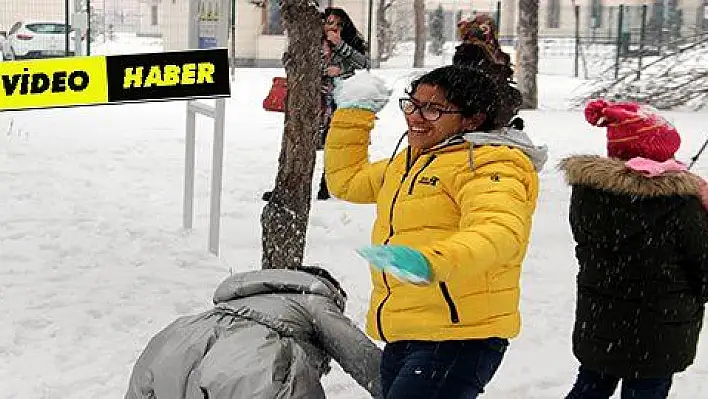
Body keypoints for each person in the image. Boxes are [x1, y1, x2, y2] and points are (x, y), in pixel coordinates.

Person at [323, 66, 547, 398]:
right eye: (413, 104)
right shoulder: (412, 161)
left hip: (459, 335)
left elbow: (499, 231)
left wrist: (431, 262)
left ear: (472, 119)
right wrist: (354, 114)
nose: (416, 116)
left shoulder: (490, 164)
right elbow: (347, 182)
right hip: (409, 328)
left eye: (433, 109)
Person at [559, 99, 708, 399]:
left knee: (590, 386)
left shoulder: (589, 197)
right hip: (660, 333)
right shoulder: (682, 206)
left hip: (600, 323)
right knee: (647, 391)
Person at [124, 266, 383, 399]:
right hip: (250, 358)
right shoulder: (313, 296)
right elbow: (358, 354)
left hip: (175, 345)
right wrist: (405, 388)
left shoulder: (239, 298)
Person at [262, 7, 369, 202]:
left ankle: (326, 185)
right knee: (300, 141)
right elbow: (296, 62)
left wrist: (340, 50)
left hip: (339, 101)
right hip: (311, 99)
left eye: (338, 24)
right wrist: (324, 70)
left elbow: (363, 63)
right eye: (329, 23)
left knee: (333, 142)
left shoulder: (347, 44)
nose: (334, 28)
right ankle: (289, 185)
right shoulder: (311, 41)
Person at [453, 14, 522, 130]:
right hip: (489, 113)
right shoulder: (492, 52)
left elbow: (465, 83)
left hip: (482, 113)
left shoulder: (469, 51)